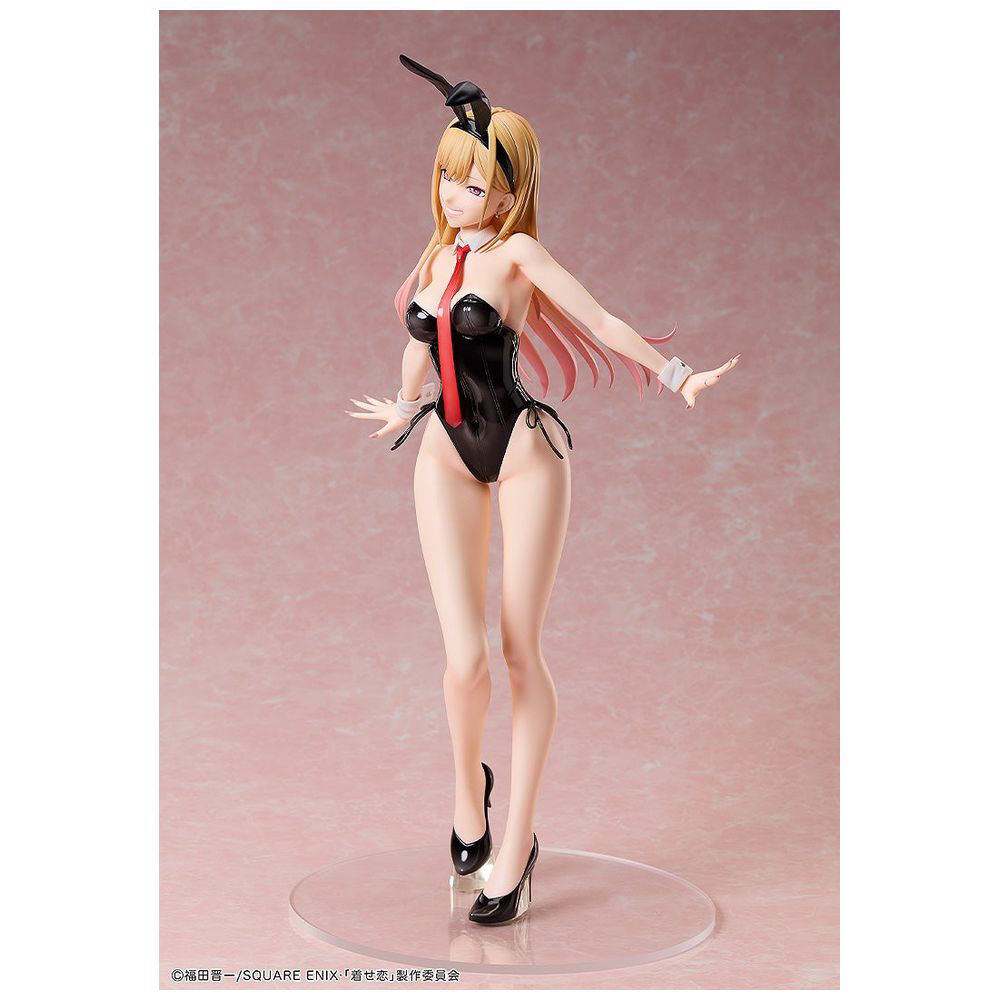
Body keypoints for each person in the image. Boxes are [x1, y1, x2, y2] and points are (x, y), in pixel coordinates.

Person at [346, 54, 741, 925]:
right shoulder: (438, 256)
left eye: (475, 183)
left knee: (520, 649)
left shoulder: (517, 253)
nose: (457, 195)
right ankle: (468, 800)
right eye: (448, 177)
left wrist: (676, 374)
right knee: (463, 659)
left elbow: (596, 318)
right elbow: (420, 344)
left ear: (508, 190)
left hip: (523, 449)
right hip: (443, 453)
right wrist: (402, 405)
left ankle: (517, 841)